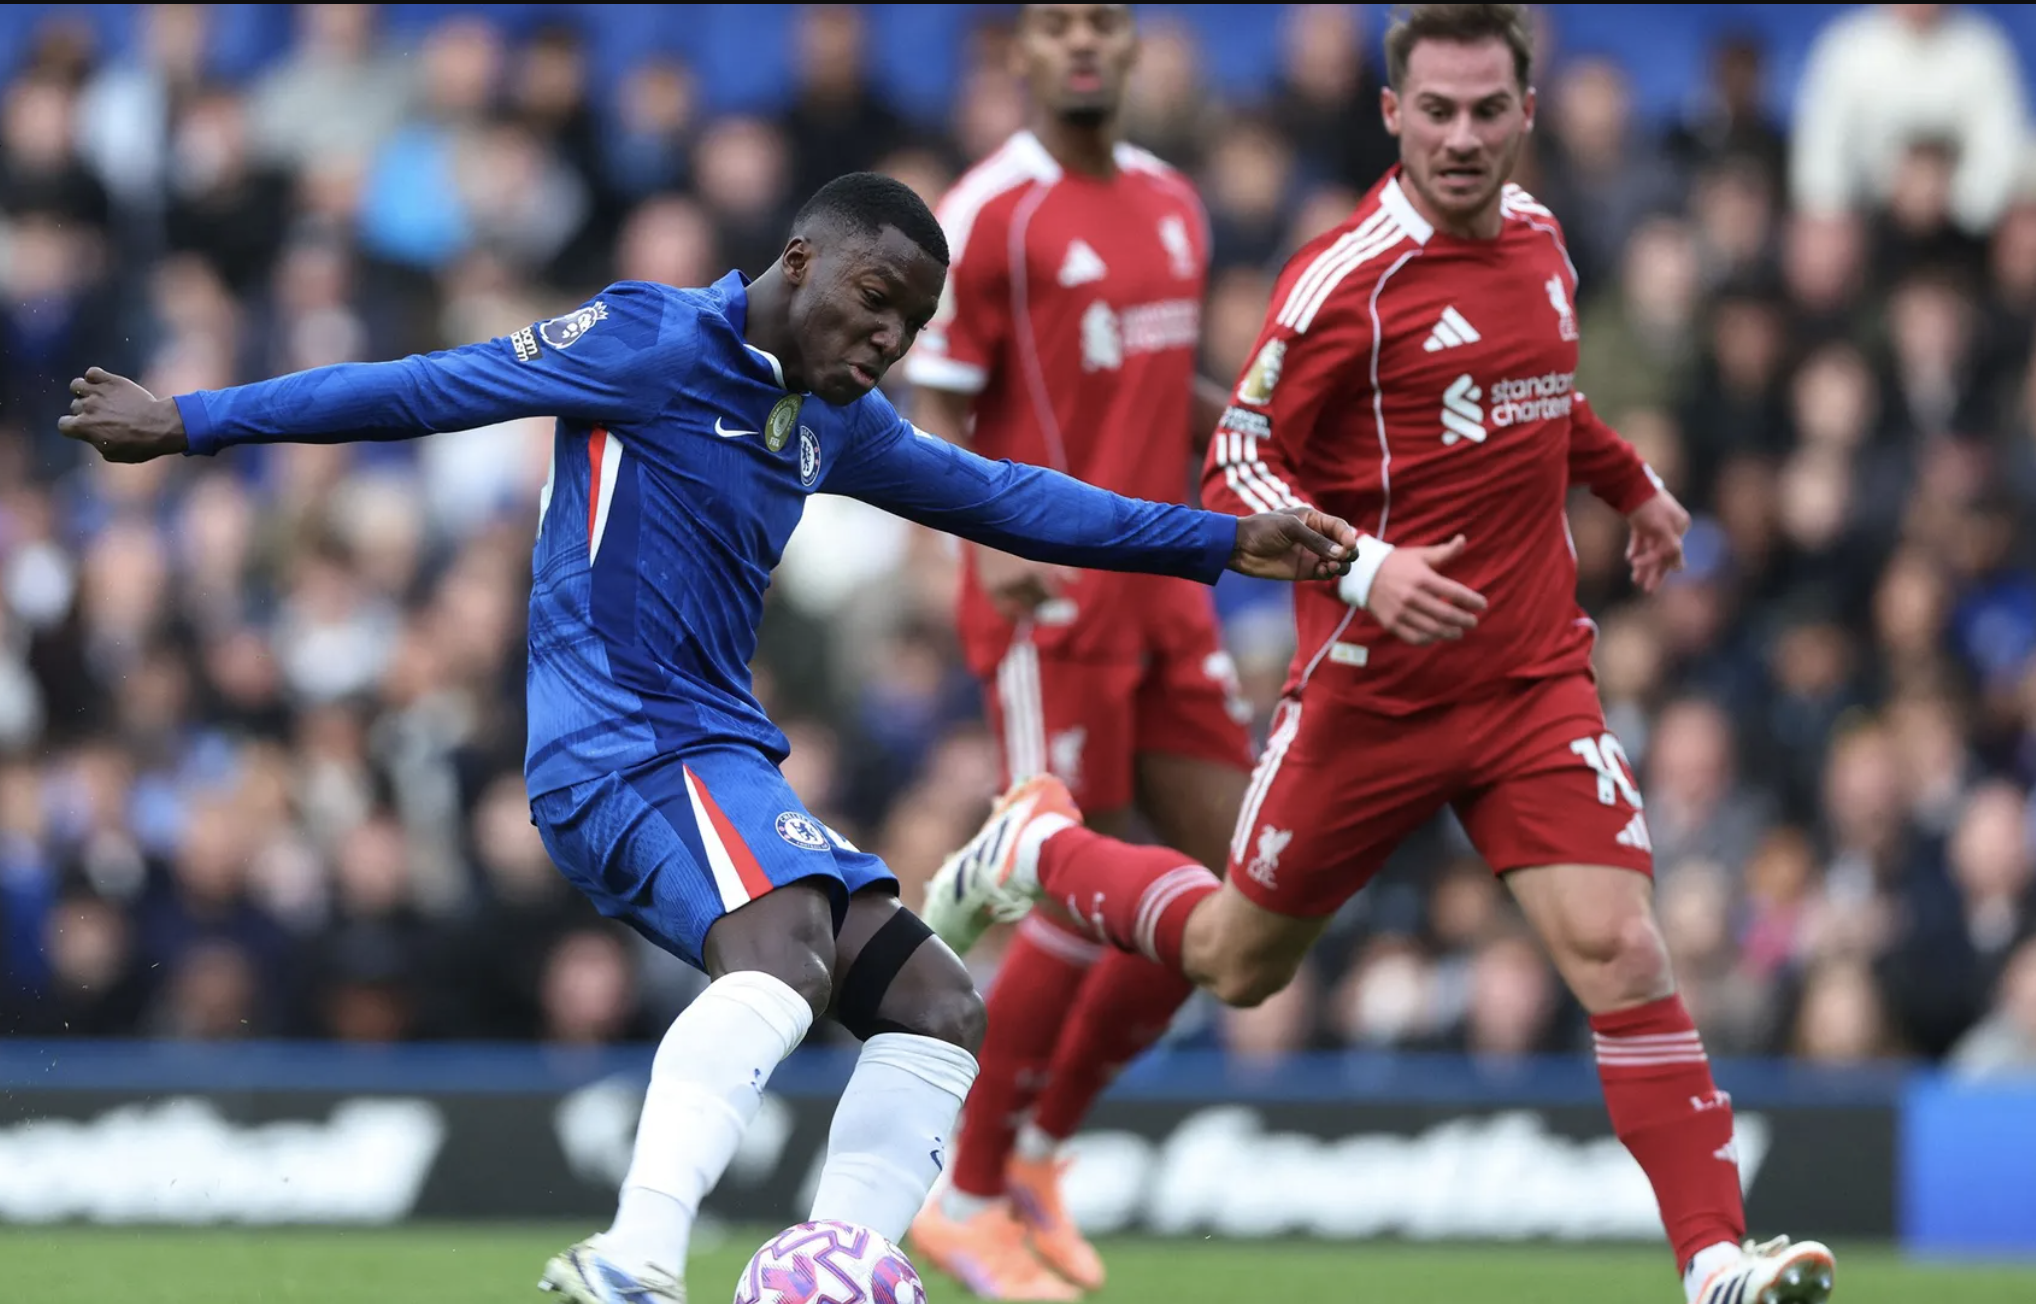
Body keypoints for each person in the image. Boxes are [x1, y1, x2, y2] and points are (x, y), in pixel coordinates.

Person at [56, 172, 1360, 1304]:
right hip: (620, 746)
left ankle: (836, 1266)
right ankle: (636, 1252)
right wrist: (191, 421)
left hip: (714, 756)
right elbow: (427, 389)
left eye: (911, 323)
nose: (889, 338)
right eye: (874, 299)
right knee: (784, 956)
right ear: (801, 260)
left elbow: (1002, 498)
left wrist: (1216, 540)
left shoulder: (835, 419)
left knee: (933, 1004)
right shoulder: (651, 342)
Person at [920, 8, 1838, 1304]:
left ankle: (1713, 1263)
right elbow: (1236, 449)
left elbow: (1541, 393)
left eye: (1488, 111)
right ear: (1392, 114)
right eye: (1439, 113)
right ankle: (1036, 855)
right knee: (1241, 961)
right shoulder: (1346, 276)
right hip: (1371, 694)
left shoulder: (1541, 241)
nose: (1464, 138)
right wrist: (1360, 566)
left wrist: (1633, 487)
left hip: (1528, 681)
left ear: (1528, 109)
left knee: (1624, 949)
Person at [900, 6, 1247, 1298]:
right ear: (1023, 53)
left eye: (1105, 19)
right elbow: (930, 394)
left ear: (1138, 43)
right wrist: (977, 537)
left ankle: (1038, 1152)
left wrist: (1269, 450)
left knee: (1234, 889)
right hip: (1051, 583)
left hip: (1172, 581)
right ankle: (967, 1194)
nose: (1084, 44)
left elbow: (1162, 392)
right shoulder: (993, 208)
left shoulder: (1173, 201)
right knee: (1071, 871)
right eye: (1058, 25)